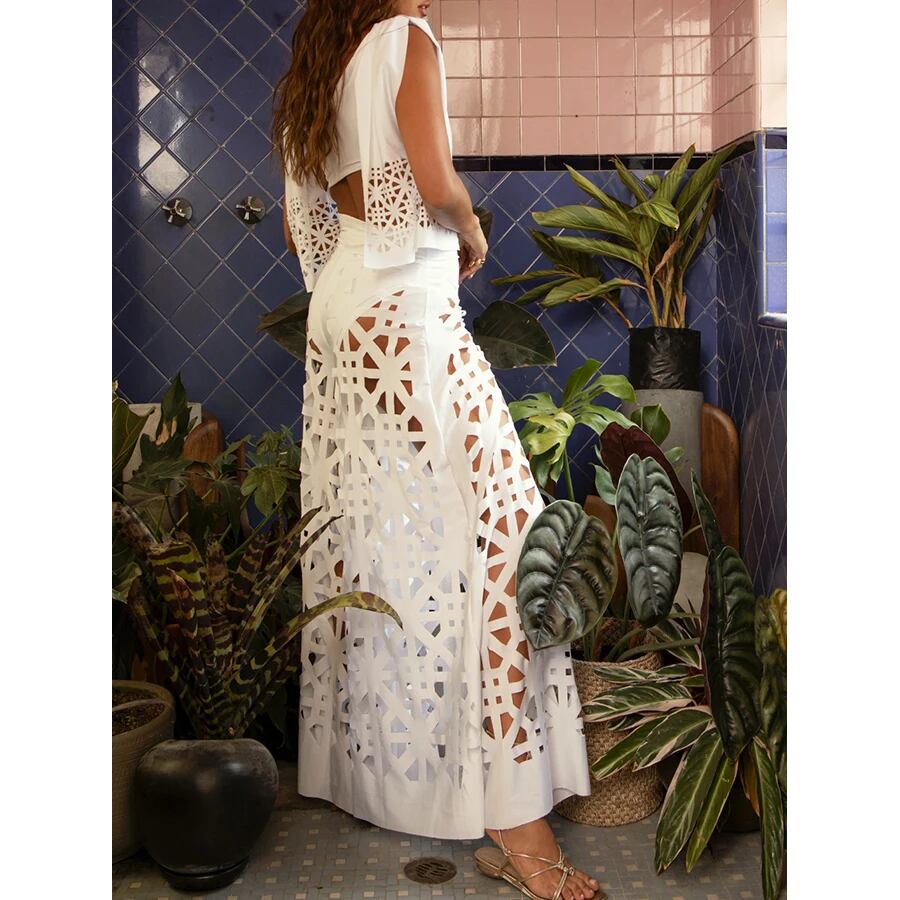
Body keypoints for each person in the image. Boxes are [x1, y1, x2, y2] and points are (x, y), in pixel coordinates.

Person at [272, 3, 602, 899]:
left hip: (344, 312)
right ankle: (516, 819)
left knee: (396, 539)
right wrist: (472, 229)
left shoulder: (322, 71)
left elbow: (306, 227)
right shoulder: (404, 40)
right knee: (510, 533)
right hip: (407, 307)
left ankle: (409, 777)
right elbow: (433, 180)